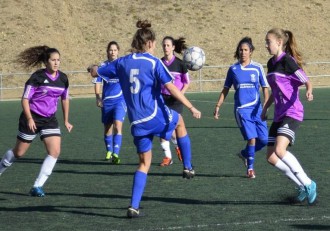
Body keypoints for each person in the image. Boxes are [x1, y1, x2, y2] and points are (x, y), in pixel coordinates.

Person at [88, 19, 201, 218]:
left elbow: (97, 71)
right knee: (180, 122)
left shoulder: (121, 62)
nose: (156, 46)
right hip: (155, 116)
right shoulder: (154, 62)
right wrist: (191, 106)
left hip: (137, 123)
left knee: (144, 164)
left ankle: (133, 206)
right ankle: (188, 167)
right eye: (155, 43)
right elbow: (172, 87)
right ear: (149, 43)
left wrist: (92, 68)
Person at [0, 45, 73, 197]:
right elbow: (25, 99)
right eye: (53, 60)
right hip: (31, 117)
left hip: (49, 120)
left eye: (58, 60)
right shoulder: (37, 77)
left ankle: (37, 186)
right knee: (18, 153)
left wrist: (66, 120)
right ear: (46, 62)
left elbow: (65, 99)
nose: (56, 63)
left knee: (55, 152)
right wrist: (29, 118)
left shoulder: (63, 79)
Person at [261, 28, 317, 204]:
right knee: (271, 157)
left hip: (292, 112)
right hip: (279, 114)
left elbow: (306, 79)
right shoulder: (271, 63)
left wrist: (309, 90)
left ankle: (308, 183)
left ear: (279, 42)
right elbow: (275, 90)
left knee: (280, 150)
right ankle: (301, 186)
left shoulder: (288, 61)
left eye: (268, 41)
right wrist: (265, 108)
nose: (266, 45)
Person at [214, 37, 269, 179]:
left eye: (245, 50)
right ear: (238, 51)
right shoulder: (233, 69)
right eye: (241, 49)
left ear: (251, 52)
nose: (243, 52)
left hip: (257, 109)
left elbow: (265, 88)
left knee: (264, 140)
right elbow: (225, 89)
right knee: (252, 139)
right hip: (242, 110)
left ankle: (244, 154)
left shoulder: (257, 68)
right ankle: (250, 169)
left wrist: (266, 106)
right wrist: (218, 105)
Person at [92, 41, 126, 164]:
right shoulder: (103, 66)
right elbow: (97, 82)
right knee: (107, 128)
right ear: (107, 52)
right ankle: (109, 151)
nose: (113, 52)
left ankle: (116, 153)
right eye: (110, 50)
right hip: (107, 101)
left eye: (115, 50)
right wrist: (97, 97)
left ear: (118, 51)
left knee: (118, 125)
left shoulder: (121, 65)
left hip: (120, 101)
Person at [159, 36, 190, 166]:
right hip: (162, 98)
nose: (166, 47)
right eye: (164, 45)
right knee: (163, 127)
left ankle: (178, 147)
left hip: (175, 100)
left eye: (168, 45)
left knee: (175, 127)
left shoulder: (180, 64)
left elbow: (186, 82)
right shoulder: (158, 63)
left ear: (173, 47)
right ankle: (168, 157)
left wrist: (180, 95)